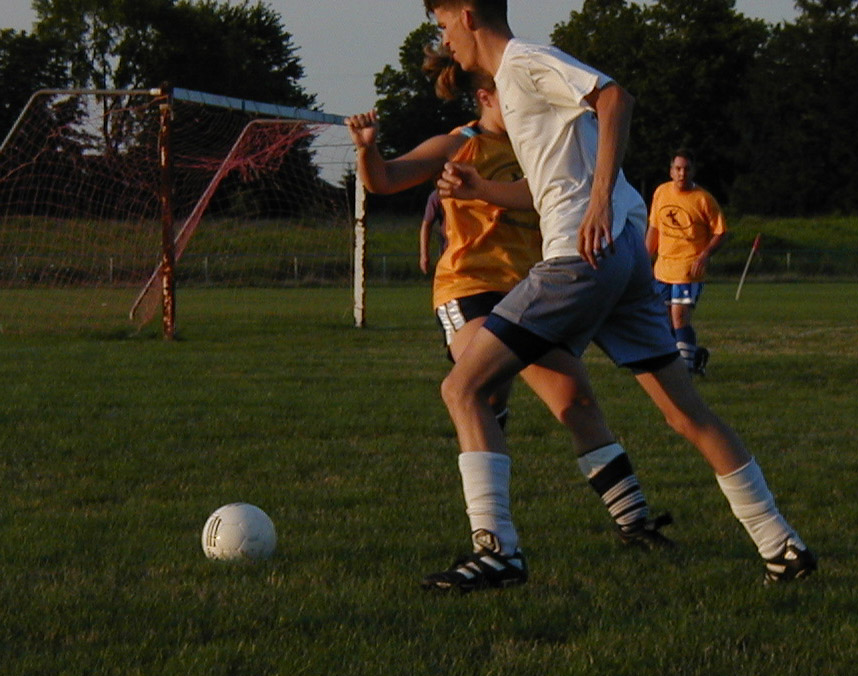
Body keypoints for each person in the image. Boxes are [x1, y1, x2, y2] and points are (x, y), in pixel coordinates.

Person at [423, 0, 816, 590]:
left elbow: (615, 99)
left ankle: (497, 551)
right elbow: (548, 188)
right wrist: (482, 188)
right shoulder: (515, 84)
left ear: (470, 14)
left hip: (582, 258)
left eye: (443, 23)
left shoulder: (524, 61)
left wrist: (600, 199)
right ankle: (781, 545)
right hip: (626, 255)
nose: (444, 38)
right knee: (685, 412)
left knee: (463, 387)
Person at [346, 49, 674, 592]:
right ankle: (494, 546)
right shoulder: (458, 144)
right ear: (485, 97)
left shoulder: (539, 142)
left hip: (531, 289)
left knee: (576, 401)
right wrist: (368, 149)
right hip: (471, 290)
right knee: (478, 387)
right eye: (511, 96)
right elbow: (383, 180)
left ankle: (636, 524)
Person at [646, 149, 727, 375]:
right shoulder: (661, 192)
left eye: (687, 169)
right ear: (671, 171)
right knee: (664, 322)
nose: (682, 173)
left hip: (688, 268)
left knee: (679, 317)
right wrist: (644, 259)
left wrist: (705, 255)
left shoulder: (703, 199)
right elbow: (654, 228)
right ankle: (694, 356)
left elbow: (720, 232)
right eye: (678, 168)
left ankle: (686, 370)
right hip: (663, 269)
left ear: (693, 171)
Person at [418, 189, 446, 274]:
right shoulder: (439, 195)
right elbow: (426, 225)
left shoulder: (476, 190)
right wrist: (424, 255)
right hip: (448, 251)